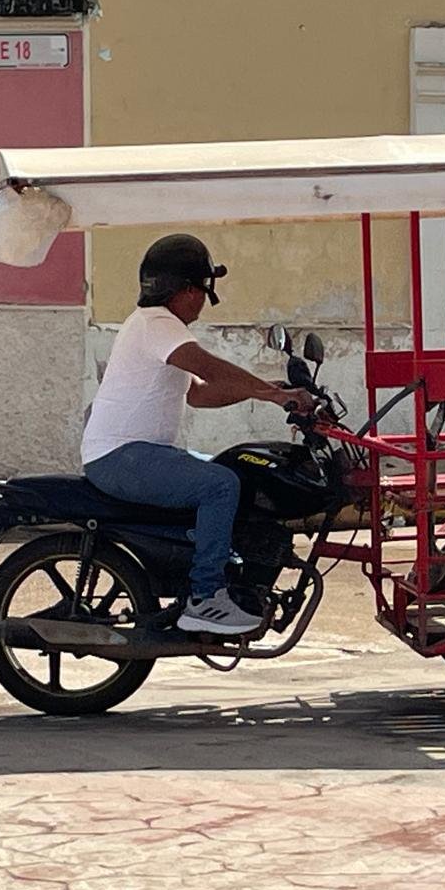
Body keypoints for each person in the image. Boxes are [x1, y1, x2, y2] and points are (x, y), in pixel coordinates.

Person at [81, 234, 313, 636]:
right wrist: (275, 395)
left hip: (133, 455)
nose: (203, 301)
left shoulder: (155, 329)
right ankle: (205, 598)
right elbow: (209, 368)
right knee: (221, 486)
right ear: (187, 290)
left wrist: (271, 389)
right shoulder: (159, 325)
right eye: (203, 291)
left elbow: (201, 395)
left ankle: (222, 575)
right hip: (122, 457)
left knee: (230, 470)